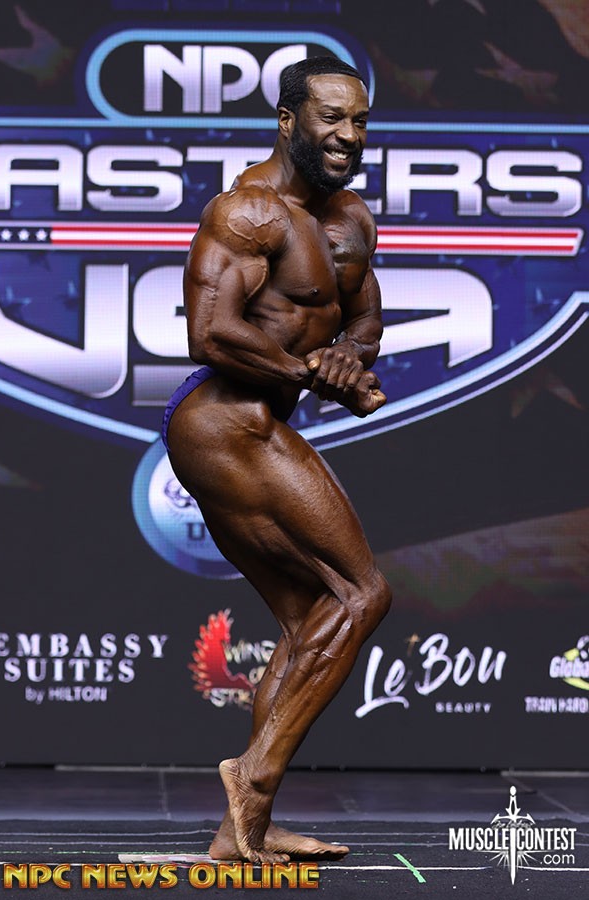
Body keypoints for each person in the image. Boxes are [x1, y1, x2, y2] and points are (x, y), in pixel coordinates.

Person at [163, 56, 392, 864]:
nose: (348, 135)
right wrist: (306, 372)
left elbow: (363, 319)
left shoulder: (353, 219)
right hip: (220, 420)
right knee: (362, 592)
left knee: (311, 624)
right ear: (288, 120)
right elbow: (211, 333)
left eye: (359, 121)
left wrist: (348, 359)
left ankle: (242, 833)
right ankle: (252, 779)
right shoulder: (247, 212)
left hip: (258, 419)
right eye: (331, 118)